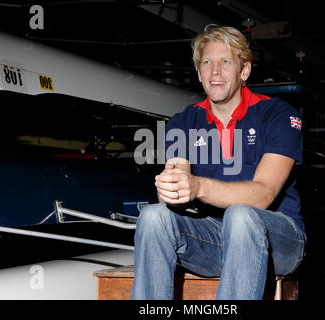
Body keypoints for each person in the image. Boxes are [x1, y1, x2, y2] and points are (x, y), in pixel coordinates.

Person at [131, 25, 306, 300]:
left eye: (225, 62)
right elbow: (178, 190)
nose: (215, 71)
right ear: (199, 73)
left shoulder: (277, 114)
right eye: (207, 63)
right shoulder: (185, 121)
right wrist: (173, 188)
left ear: (244, 71)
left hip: (280, 239)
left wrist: (197, 186)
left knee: (241, 215)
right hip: (213, 239)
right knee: (153, 216)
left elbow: (263, 194)